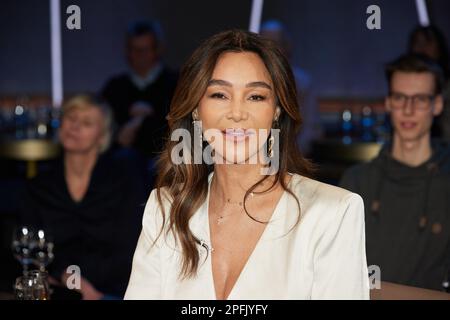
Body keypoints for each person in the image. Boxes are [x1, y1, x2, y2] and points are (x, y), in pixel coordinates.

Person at [125, 30, 369, 300]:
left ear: (276, 111)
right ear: (196, 109)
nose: (237, 113)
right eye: (219, 95)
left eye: (255, 97)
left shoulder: (332, 213)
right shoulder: (165, 209)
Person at [18, 95, 147, 299]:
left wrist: (94, 293)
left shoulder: (124, 179)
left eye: (86, 123)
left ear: (102, 136)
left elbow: (131, 246)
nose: (75, 127)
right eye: (71, 118)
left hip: (116, 290)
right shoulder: (39, 185)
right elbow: (30, 247)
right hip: (59, 289)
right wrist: (69, 279)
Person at [340, 54, 450, 291]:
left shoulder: (445, 185)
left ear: (437, 105)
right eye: (400, 98)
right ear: (389, 102)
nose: (408, 110)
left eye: (420, 99)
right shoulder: (357, 182)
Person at [101, 20, 178, 160]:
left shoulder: (176, 83)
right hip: (122, 166)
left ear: (158, 49)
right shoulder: (115, 88)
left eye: (145, 50)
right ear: (127, 51)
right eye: (135, 50)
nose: (140, 56)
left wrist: (142, 121)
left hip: (167, 161)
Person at [260, 20, 323, 156]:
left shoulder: (303, 82)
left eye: (276, 44)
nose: (271, 50)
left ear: (287, 47)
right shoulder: (247, 81)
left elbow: (313, 130)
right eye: (265, 44)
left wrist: (290, 157)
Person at [408, 24, 450, 142]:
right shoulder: (405, 82)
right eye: (417, 42)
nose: (421, 47)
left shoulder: (446, 85)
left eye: (427, 41)